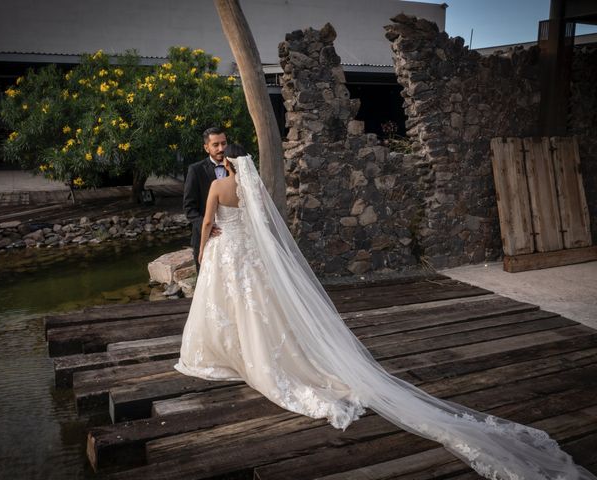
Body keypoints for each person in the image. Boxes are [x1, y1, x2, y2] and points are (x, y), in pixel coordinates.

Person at [175, 144, 595, 480]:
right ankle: (259, 352)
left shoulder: (217, 188)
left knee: (228, 306)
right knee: (258, 308)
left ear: (226, 162)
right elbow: (262, 227)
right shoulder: (250, 190)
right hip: (252, 254)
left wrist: (202, 250)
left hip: (227, 252)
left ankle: (234, 353)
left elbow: (209, 223)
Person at [182, 127, 228, 270]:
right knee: (206, 284)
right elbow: (189, 208)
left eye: (224, 143)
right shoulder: (195, 170)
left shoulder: (237, 168)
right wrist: (207, 225)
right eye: (216, 145)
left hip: (232, 237)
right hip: (205, 237)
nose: (221, 148)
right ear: (206, 148)